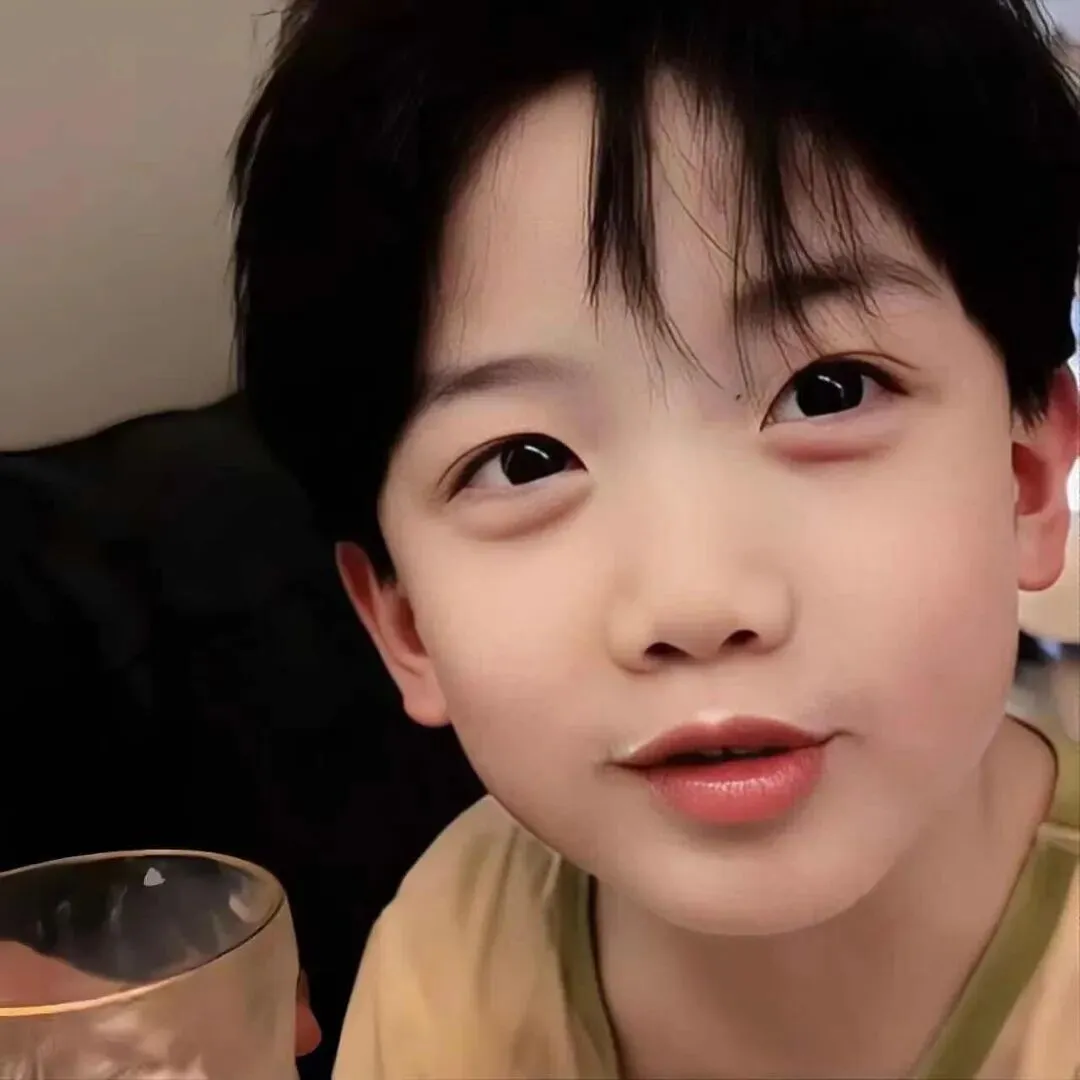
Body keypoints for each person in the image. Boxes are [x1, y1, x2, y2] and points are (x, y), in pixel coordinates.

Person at [230, 0, 1080, 1076]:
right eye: (524, 461)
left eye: (828, 391)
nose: (696, 602)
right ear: (405, 626)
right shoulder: (451, 952)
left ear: (1025, 481)